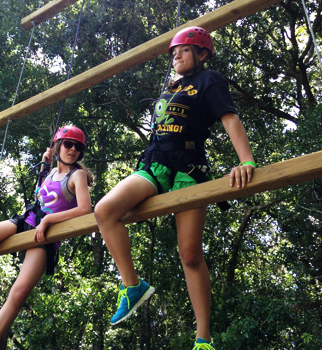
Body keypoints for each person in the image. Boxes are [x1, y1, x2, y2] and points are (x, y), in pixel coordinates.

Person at [94, 26, 256, 350]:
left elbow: (230, 119)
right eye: (173, 52)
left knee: (190, 254)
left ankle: (203, 339)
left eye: (183, 50)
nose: (176, 56)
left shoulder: (209, 81)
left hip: (189, 167)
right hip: (155, 163)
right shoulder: (170, 87)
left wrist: (246, 161)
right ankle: (133, 286)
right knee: (104, 210)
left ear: (202, 54)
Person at [0, 125, 93, 350]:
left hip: (45, 235)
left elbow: (85, 210)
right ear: (58, 146)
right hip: (26, 221)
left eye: (78, 147)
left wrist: (50, 220)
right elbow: (43, 196)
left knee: (18, 293)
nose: (73, 150)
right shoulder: (50, 172)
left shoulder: (76, 175)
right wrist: (44, 163)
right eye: (68, 144)